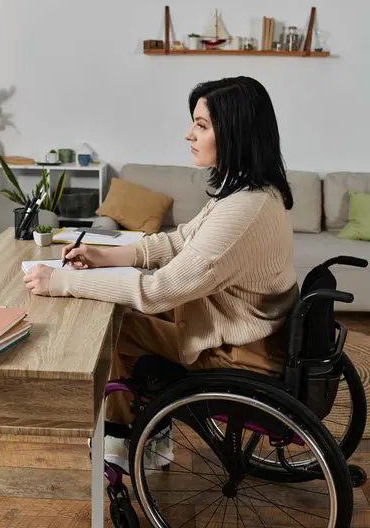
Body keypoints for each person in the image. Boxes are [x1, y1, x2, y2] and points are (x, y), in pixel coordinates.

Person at [24, 76, 298, 473]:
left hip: (240, 353)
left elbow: (159, 291)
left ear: (235, 131)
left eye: (201, 125)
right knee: (136, 314)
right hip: (244, 329)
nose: (189, 134)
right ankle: (151, 431)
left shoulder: (245, 210)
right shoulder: (248, 193)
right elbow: (179, 242)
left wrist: (62, 282)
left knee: (125, 325)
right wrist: (107, 255)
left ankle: (119, 439)